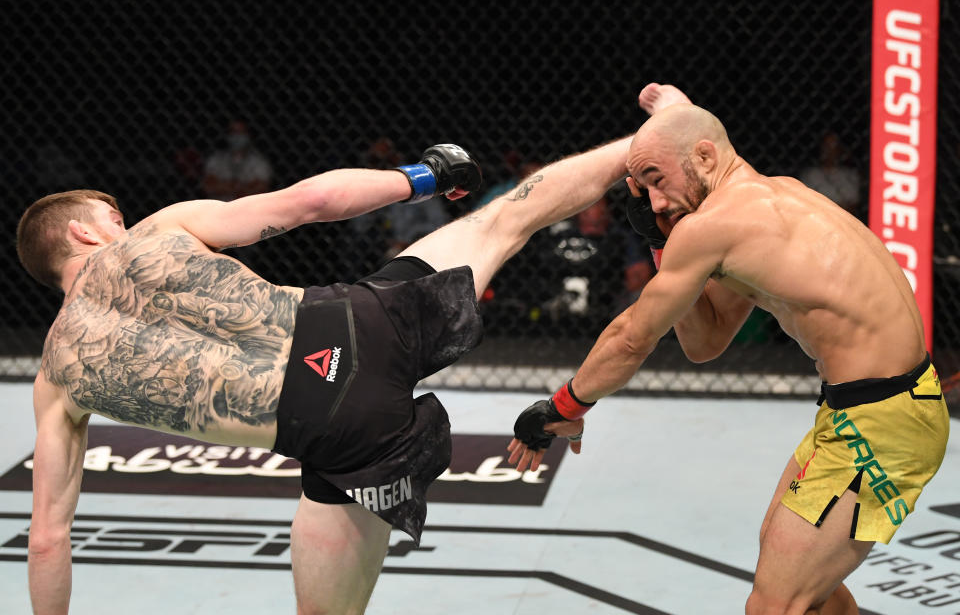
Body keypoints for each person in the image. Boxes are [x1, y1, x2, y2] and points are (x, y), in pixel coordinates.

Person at [17, 118, 640, 612]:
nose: (123, 222)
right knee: (508, 217)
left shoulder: (57, 378)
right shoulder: (156, 231)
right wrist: (424, 176)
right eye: (112, 217)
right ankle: (643, 145)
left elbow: (46, 537)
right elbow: (309, 201)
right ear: (80, 233)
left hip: (338, 427)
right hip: (357, 325)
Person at [508, 83, 950, 615]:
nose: (656, 202)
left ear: (704, 156)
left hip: (883, 422)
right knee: (810, 589)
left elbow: (632, 335)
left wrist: (564, 406)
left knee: (774, 604)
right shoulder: (761, 202)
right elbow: (706, 340)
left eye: (656, 181)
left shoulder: (716, 225)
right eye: (643, 191)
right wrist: (661, 237)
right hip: (866, 410)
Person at [201, 119, 273, 200]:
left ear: (248, 134)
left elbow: (261, 189)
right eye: (233, 131)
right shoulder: (216, 159)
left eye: (241, 132)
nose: (237, 136)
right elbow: (208, 187)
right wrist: (244, 187)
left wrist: (225, 186)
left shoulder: (259, 161)